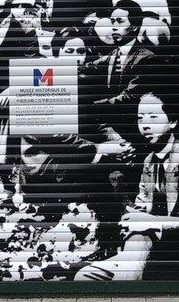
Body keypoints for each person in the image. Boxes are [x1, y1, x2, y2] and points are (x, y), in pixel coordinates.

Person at [75, 90, 179, 281]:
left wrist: (151, 222)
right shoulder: (149, 161)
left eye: (153, 117)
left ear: (172, 121)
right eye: (140, 118)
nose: (145, 125)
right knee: (86, 276)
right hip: (155, 252)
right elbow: (140, 211)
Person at [17, 28, 131, 222]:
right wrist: (99, 148)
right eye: (69, 51)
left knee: (117, 168)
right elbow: (53, 134)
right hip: (43, 161)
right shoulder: (43, 78)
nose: (77, 57)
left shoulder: (78, 81)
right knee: (104, 171)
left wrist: (117, 141)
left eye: (81, 52)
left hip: (69, 154)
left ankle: (118, 224)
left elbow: (94, 120)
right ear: (57, 53)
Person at [81, 0, 157, 252]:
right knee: (106, 189)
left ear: (134, 26)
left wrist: (92, 105)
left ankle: (125, 247)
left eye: (119, 22)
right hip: (112, 134)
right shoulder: (114, 54)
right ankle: (108, 244)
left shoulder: (145, 58)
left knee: (124, 190)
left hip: (136, 137)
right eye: (111, 21)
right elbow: (87, 68)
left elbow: (129, 98)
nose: (112, 27)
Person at [0, 0, 38, 196]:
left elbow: (31, 65)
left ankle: (10, 185)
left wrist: (9, 91)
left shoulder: (26, 28)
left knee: (12, 144)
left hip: (13, 95)